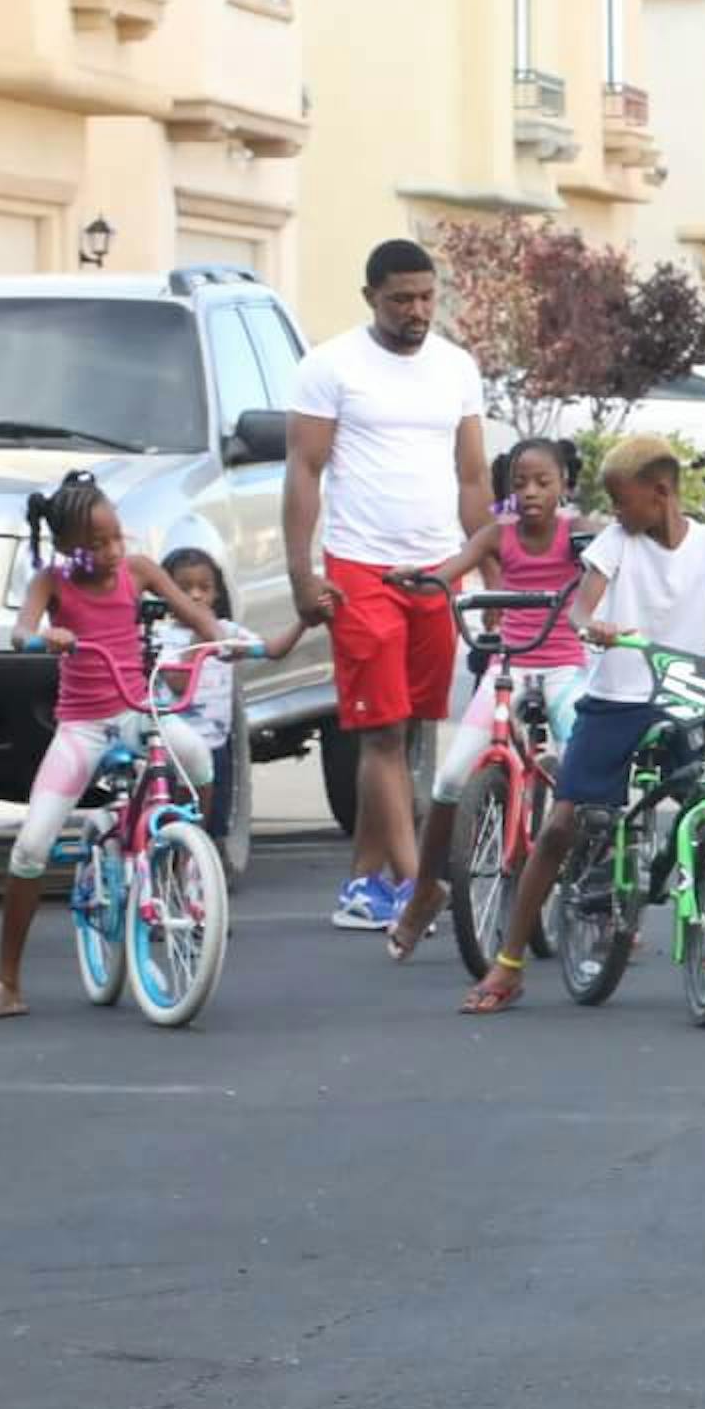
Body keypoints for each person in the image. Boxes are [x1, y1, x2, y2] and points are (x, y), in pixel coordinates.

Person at [466, 436, 705, 1014]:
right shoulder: (615, 542)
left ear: (661, 493)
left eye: (622, 501)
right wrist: (592, 625)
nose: (616, 512)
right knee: (562, 825)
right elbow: (582, 607)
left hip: (683, 700)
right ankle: (508, 965)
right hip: (615, 701)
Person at [0, 476, 241, 1021]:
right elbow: (20, 631)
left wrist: (224, 640)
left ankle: (188, 863)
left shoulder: (139, 571)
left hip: (136, 711)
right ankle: (8, 982)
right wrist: (44, 636)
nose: (113, 552)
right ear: (67, 548)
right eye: (98, 543)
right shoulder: (52, 582)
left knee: (199, 760)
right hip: (82, 728)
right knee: (31, 847)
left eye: (117, 538)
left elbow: (198, 617)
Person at [284, 238, 487, 934]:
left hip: (436, 570)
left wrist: (491, 577)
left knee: (408, 726)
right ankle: (414, 884)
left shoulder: (456, 368)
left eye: (427, 297)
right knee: (382, 734)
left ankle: (363, 883)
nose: (417, 310)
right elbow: (304, 471)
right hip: (359, 569)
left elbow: (472, 479)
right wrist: (302, 574)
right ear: (370, 296)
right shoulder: (330, 366)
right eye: (401, 299)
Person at [384, 438, 591, 959]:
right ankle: (425, 890)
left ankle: (602, 895)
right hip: (508, 665)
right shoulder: (498, 535)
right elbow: (445, 575)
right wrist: (417, 580)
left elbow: (615, 559)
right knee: (451, 779)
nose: (531, 492)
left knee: (586, 776)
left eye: (543, 482)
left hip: (564, 667)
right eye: (520, 484)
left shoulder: (578, 534)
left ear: (565, 484)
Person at [154, 544, 307, 882]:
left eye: (204, 587)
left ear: (216, 593)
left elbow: (272, 650)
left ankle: (201, 881)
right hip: (174, 748)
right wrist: (201, 634)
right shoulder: (163, 637)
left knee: (210, 821)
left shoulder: (226, 632)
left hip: (215, 746)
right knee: (172, 816)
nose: (195, 595)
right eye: (184, 588)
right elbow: (178, 683)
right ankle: (170, 875)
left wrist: (304, 623)